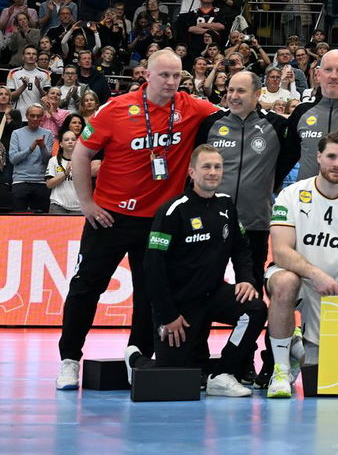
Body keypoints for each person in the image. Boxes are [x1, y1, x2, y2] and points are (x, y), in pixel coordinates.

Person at [56, 48, 220, 391]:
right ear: (146, 74)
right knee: (87, 286)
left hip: (158, 222)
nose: (171, 82)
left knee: (151, 292)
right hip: (109, 217)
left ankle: (139, 358)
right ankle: (69, 360)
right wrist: (86, 203)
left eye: (177, 76)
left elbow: (232, 112)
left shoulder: (191, 106)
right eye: (164, 75)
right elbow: (82, 154)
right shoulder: (115, 109)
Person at [140, 143, 267, 397]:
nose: (212, 172)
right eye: (206, 167)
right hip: (179, 306)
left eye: (217, 167)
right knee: (176, 376)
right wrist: (168, 315)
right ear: (192, 173)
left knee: (255, 308)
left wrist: (245, 280)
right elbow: (153, 268)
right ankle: (136, 361)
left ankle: (223, 373)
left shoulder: (226, 205)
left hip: (213, 295)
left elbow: (241, 248)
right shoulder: (173, 211)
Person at [264, 132, 338, 398]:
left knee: (327, 384)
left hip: (331, 293)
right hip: (297, 277)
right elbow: (281, 252)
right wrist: (314, 274)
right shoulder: (292, 193)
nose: (337, 163)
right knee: (285, 281)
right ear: (318, 157)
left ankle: (296, 347)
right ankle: (280, 370)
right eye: (331, 156)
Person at [201, 70, 293, 289]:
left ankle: (248, 324)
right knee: (203, 284)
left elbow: (289, 157)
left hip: (255, 222)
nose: (233, 95)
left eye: (241, 91)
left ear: (257, 94)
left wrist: (271, 182)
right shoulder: (211, 124)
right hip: (213, 220)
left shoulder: (276, 126)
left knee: (251, 286)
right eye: (230, 90)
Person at [284, 50, 338, 180]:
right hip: (307, 197)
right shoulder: (302, 111)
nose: (334, 76)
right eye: (328, 69)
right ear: (318, 74)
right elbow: (287, 157)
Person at [8, 101, 53, 212]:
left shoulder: (48, 134)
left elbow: (47, 160)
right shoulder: (16, 133)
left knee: (40, 222)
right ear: (27, 116)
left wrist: (42, 147)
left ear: (42, 118)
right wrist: (30, 149)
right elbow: (13, 159)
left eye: (38, 116)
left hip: (41, 182)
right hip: (20, 181)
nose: (35, 118)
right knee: (18, 219)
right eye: (32, 115)